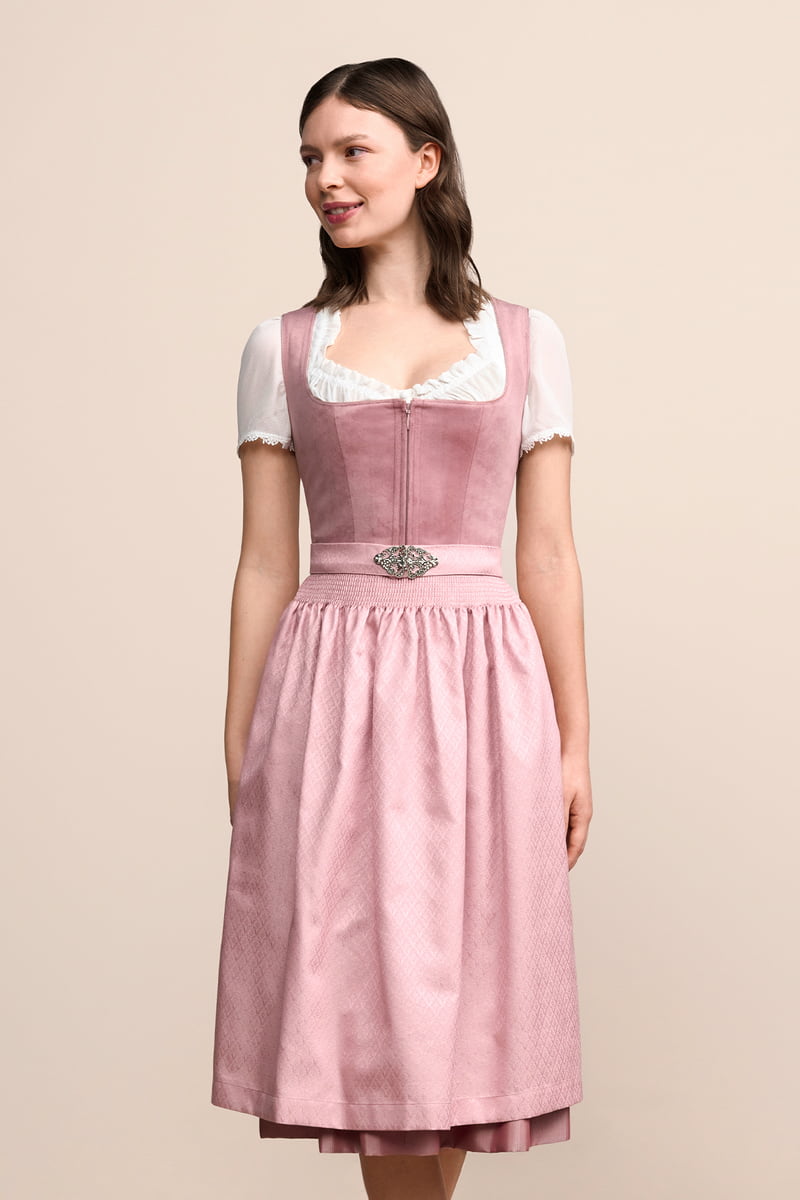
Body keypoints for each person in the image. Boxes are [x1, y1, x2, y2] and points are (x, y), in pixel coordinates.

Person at [211, 57, 593, 1200]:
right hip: (333, 686)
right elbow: (265, 560)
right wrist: (240, 741)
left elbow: (546, 553)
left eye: (350, 152)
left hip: (485, 690)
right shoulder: (282, 348)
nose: (324, 180)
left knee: (467, 1012)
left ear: (424, 162)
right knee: (364, 1005)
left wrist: (575, 740)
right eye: (310, 160)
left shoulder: (526, 341)